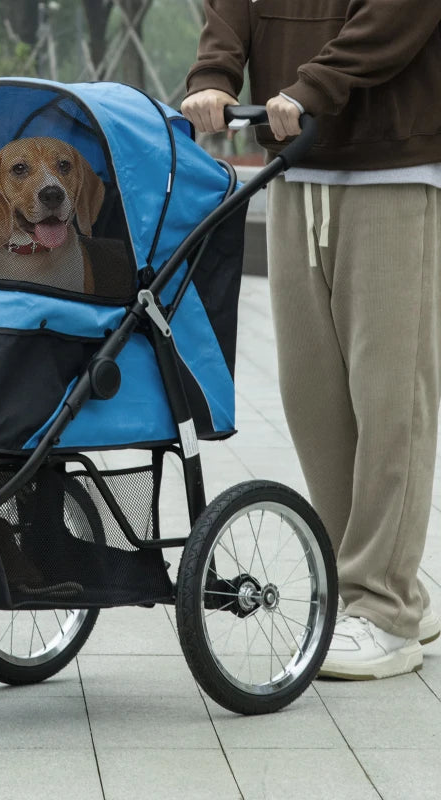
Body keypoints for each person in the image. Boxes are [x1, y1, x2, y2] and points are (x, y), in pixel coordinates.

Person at [181, 1, 441, 680]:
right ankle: (385, 589)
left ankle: (382, 608)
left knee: (390, 399)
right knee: (312, 396)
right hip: (295, 171)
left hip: (393, 171)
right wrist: (214, 74)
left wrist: (307, 89)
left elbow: (395, 16)